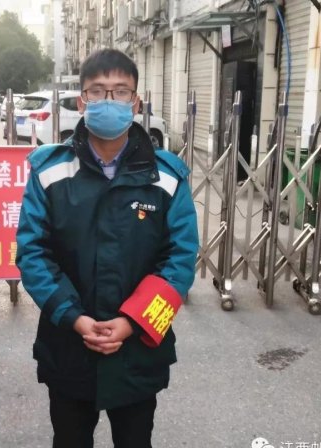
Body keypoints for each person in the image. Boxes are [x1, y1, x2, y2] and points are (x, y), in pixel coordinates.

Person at [16, 49, 199, 448]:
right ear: (82, 102)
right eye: (97, 91)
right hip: (68, 344)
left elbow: (181, 260)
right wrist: (74, 317)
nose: (109, 101)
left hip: (138, 349)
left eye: (120, 92)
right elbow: (33, 253)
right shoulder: (49, 172)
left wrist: (132, 322)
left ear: (136, 103)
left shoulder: (166, 177)